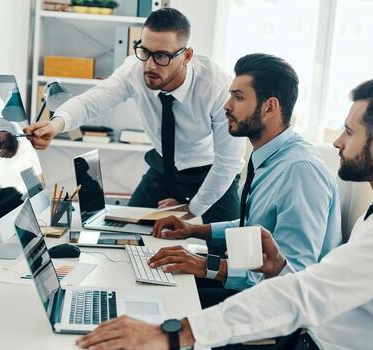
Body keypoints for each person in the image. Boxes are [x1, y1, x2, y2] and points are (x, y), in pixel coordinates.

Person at [75, 77, 373, 350]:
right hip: (304, 331)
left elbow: (311, 290)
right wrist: (277, 268)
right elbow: (328, 283)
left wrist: (173, 335)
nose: (337, 143)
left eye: (348, 131)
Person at [149, 53, 342, 308]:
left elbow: (293, 273)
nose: (226, 106)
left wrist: (207, 265)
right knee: (157, 283)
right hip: (252, 287)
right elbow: (253, 226)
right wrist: (195, 230)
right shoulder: (269, 156)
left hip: (276, 307)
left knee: (164, 305)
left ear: (270, 107)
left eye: (238, 97)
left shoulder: (299, 171)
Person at [24, 8, 245, 224]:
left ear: (186, 56)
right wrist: (56, 124)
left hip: (210, 171)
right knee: (122, 231)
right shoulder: (134, 70)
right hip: (163, 168)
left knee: (226, 246)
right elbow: (92, 101)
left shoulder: (217, 88)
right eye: (144, 51)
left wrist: (191, 209)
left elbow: (229, 161)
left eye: (161, 56)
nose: (149, 65)